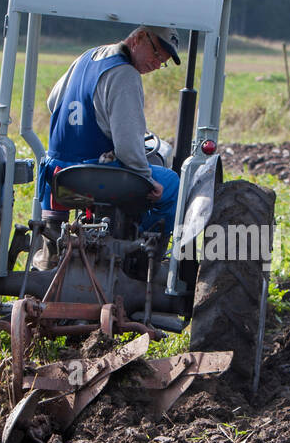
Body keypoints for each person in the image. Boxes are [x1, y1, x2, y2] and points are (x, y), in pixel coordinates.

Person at [33, 25, 182, 269]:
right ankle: (141, 258)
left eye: (162, 62)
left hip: (58, 173)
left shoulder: (86, 57)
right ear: (138, 38)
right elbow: (127, 147)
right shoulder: (125, 74)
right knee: (171, 184)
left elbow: (53, 102)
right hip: (94, 174)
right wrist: (147, 177)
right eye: (156, 55)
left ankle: (50, 255)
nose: (157, 65)